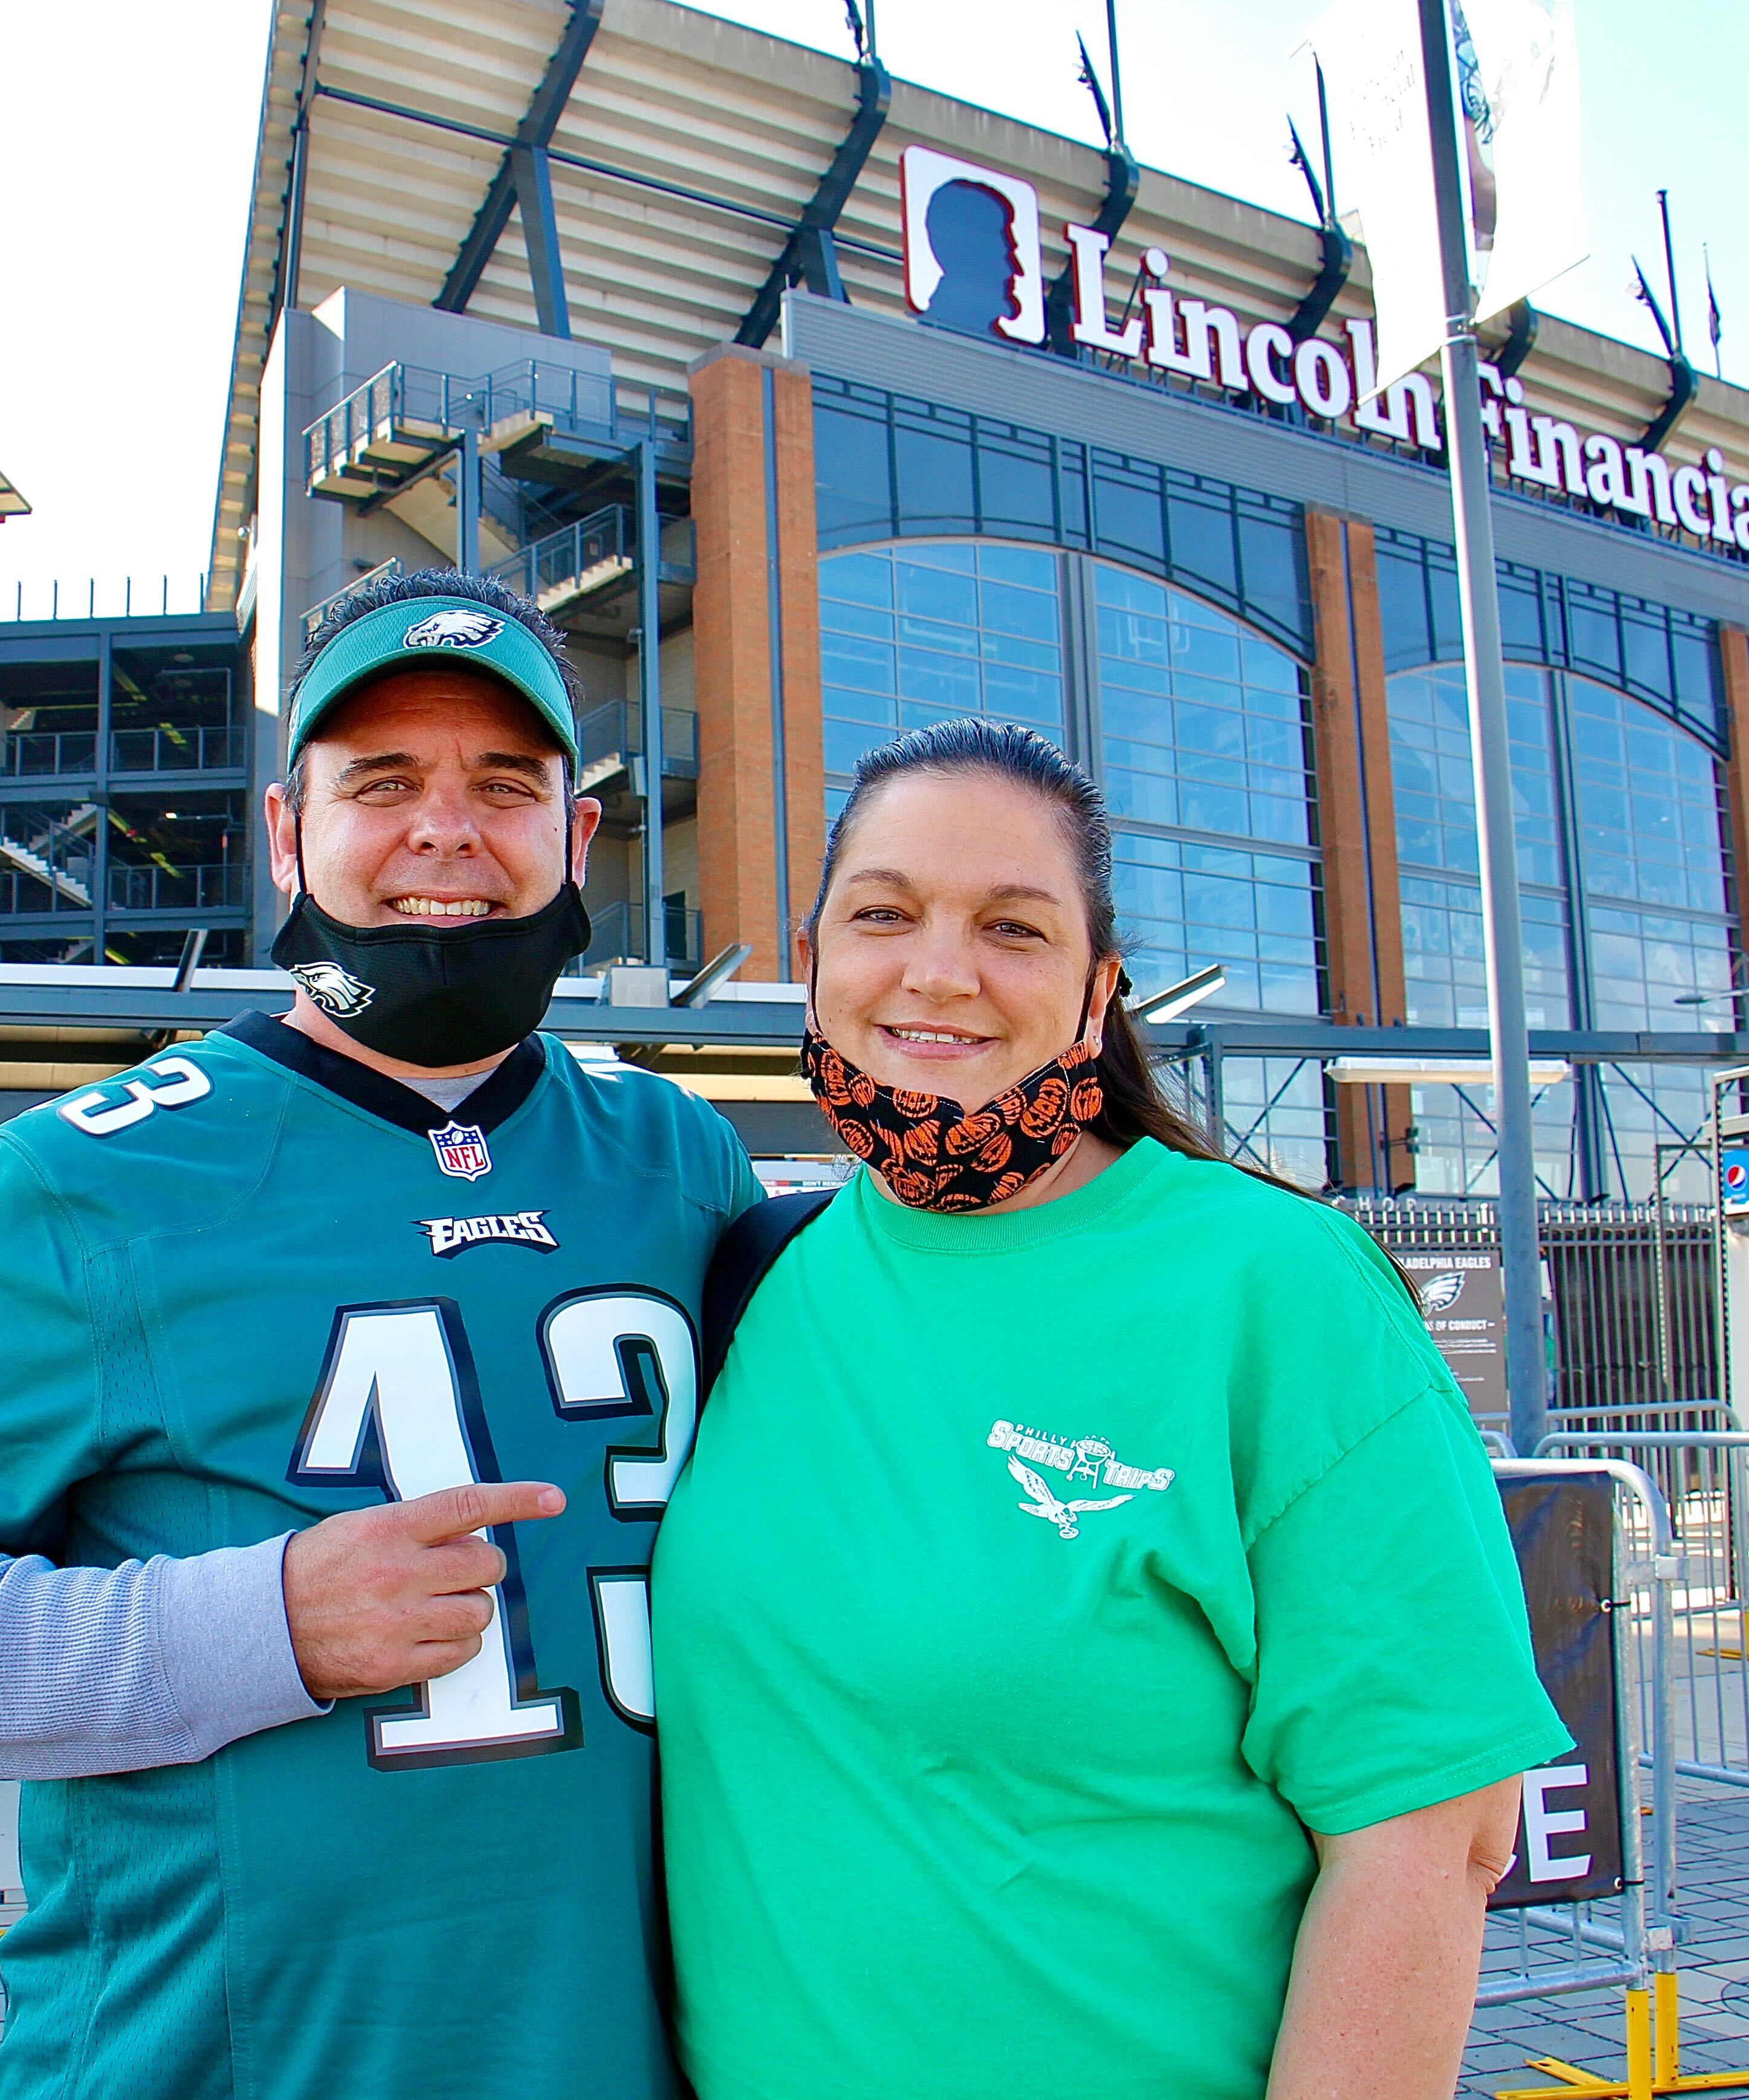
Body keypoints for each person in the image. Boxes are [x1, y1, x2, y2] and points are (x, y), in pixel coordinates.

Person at [0, 569, 760, 2099]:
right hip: (228, 2056)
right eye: (384, 781)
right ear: (289, 828)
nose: (447, 827)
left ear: (576, 836)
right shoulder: (91, 1173)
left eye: (503, 783)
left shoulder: (677, 1159)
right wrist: (265, 1623)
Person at [653, 722, 1572, 2100]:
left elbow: (1429, 1835)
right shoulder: (761, 1279)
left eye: (1010, 927)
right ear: (817, 957)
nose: (936, 969)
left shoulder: (1273, 1289)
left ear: (1096, 993)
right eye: (882, 912)